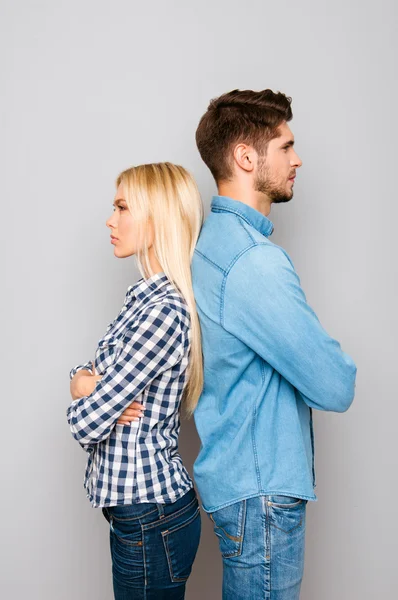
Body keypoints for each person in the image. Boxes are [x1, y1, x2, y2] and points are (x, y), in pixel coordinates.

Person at [191, 89, 357, 599]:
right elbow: (335, 384)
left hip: (241, 487)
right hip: (261, 496)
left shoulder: (211, 244)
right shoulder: (253, 261)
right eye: (285, 146)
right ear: (246, 156)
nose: (297, 159)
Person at [67, 162, 203, 600]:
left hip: (151, 515)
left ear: (156, 218)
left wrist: (89, 392)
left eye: (123, 207)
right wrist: (86, 385)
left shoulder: (163, 312)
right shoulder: (143, 303)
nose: (110, 219)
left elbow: (87, 424)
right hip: (140, 514)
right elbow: (87, 378)